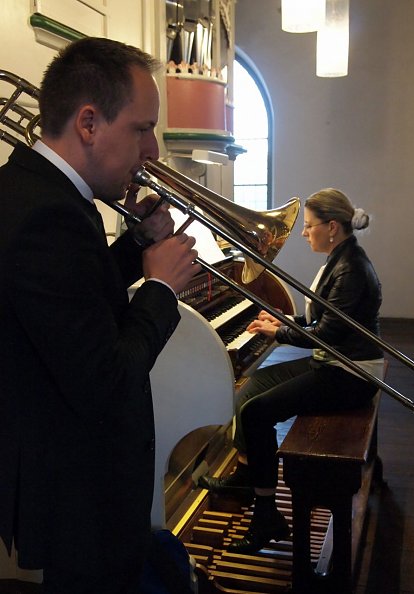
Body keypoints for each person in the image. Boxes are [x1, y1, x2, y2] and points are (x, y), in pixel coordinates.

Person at [0, 37, 201, 593]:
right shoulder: (47, 215)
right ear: (89, 123)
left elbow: (71, 299)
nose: (153, 151)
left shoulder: (41, 194)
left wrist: (134, 248)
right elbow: (105, 380)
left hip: (75, 478)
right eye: (142, 129)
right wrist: (160, 288)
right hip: (79, 490)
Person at [199, 188, 384, 554]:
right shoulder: (341, 258)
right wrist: (283, 320)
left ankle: (267, 514)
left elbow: (328, 335)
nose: (304, 233)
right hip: (336, 361)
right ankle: (249, 475)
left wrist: (279, 331)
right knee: (257, 384)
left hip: (351, 374)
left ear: (332, 227)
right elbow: (324, 321)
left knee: (255, 413)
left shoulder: (351, 269)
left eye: (310, 226)